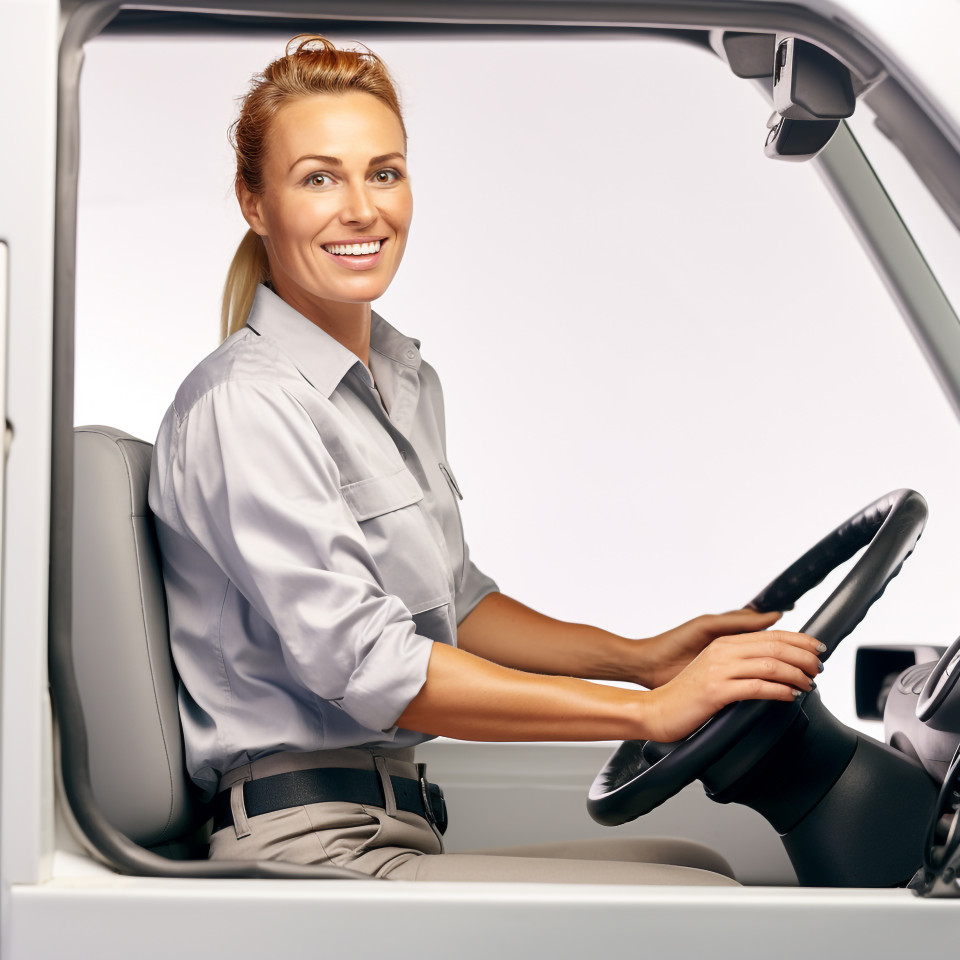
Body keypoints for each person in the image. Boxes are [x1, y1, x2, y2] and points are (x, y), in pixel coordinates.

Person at [147, 33, 823, 885]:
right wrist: (650, 711)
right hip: (310, 852)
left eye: (383, 172)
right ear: (255, 202)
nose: (362, 209)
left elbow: (452, 605)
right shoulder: (245, 405)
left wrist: (639, 656)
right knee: (709, 903)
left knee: (696, 863)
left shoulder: (402, 378)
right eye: (319, 178)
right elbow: (373, 666)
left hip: (390, 825)